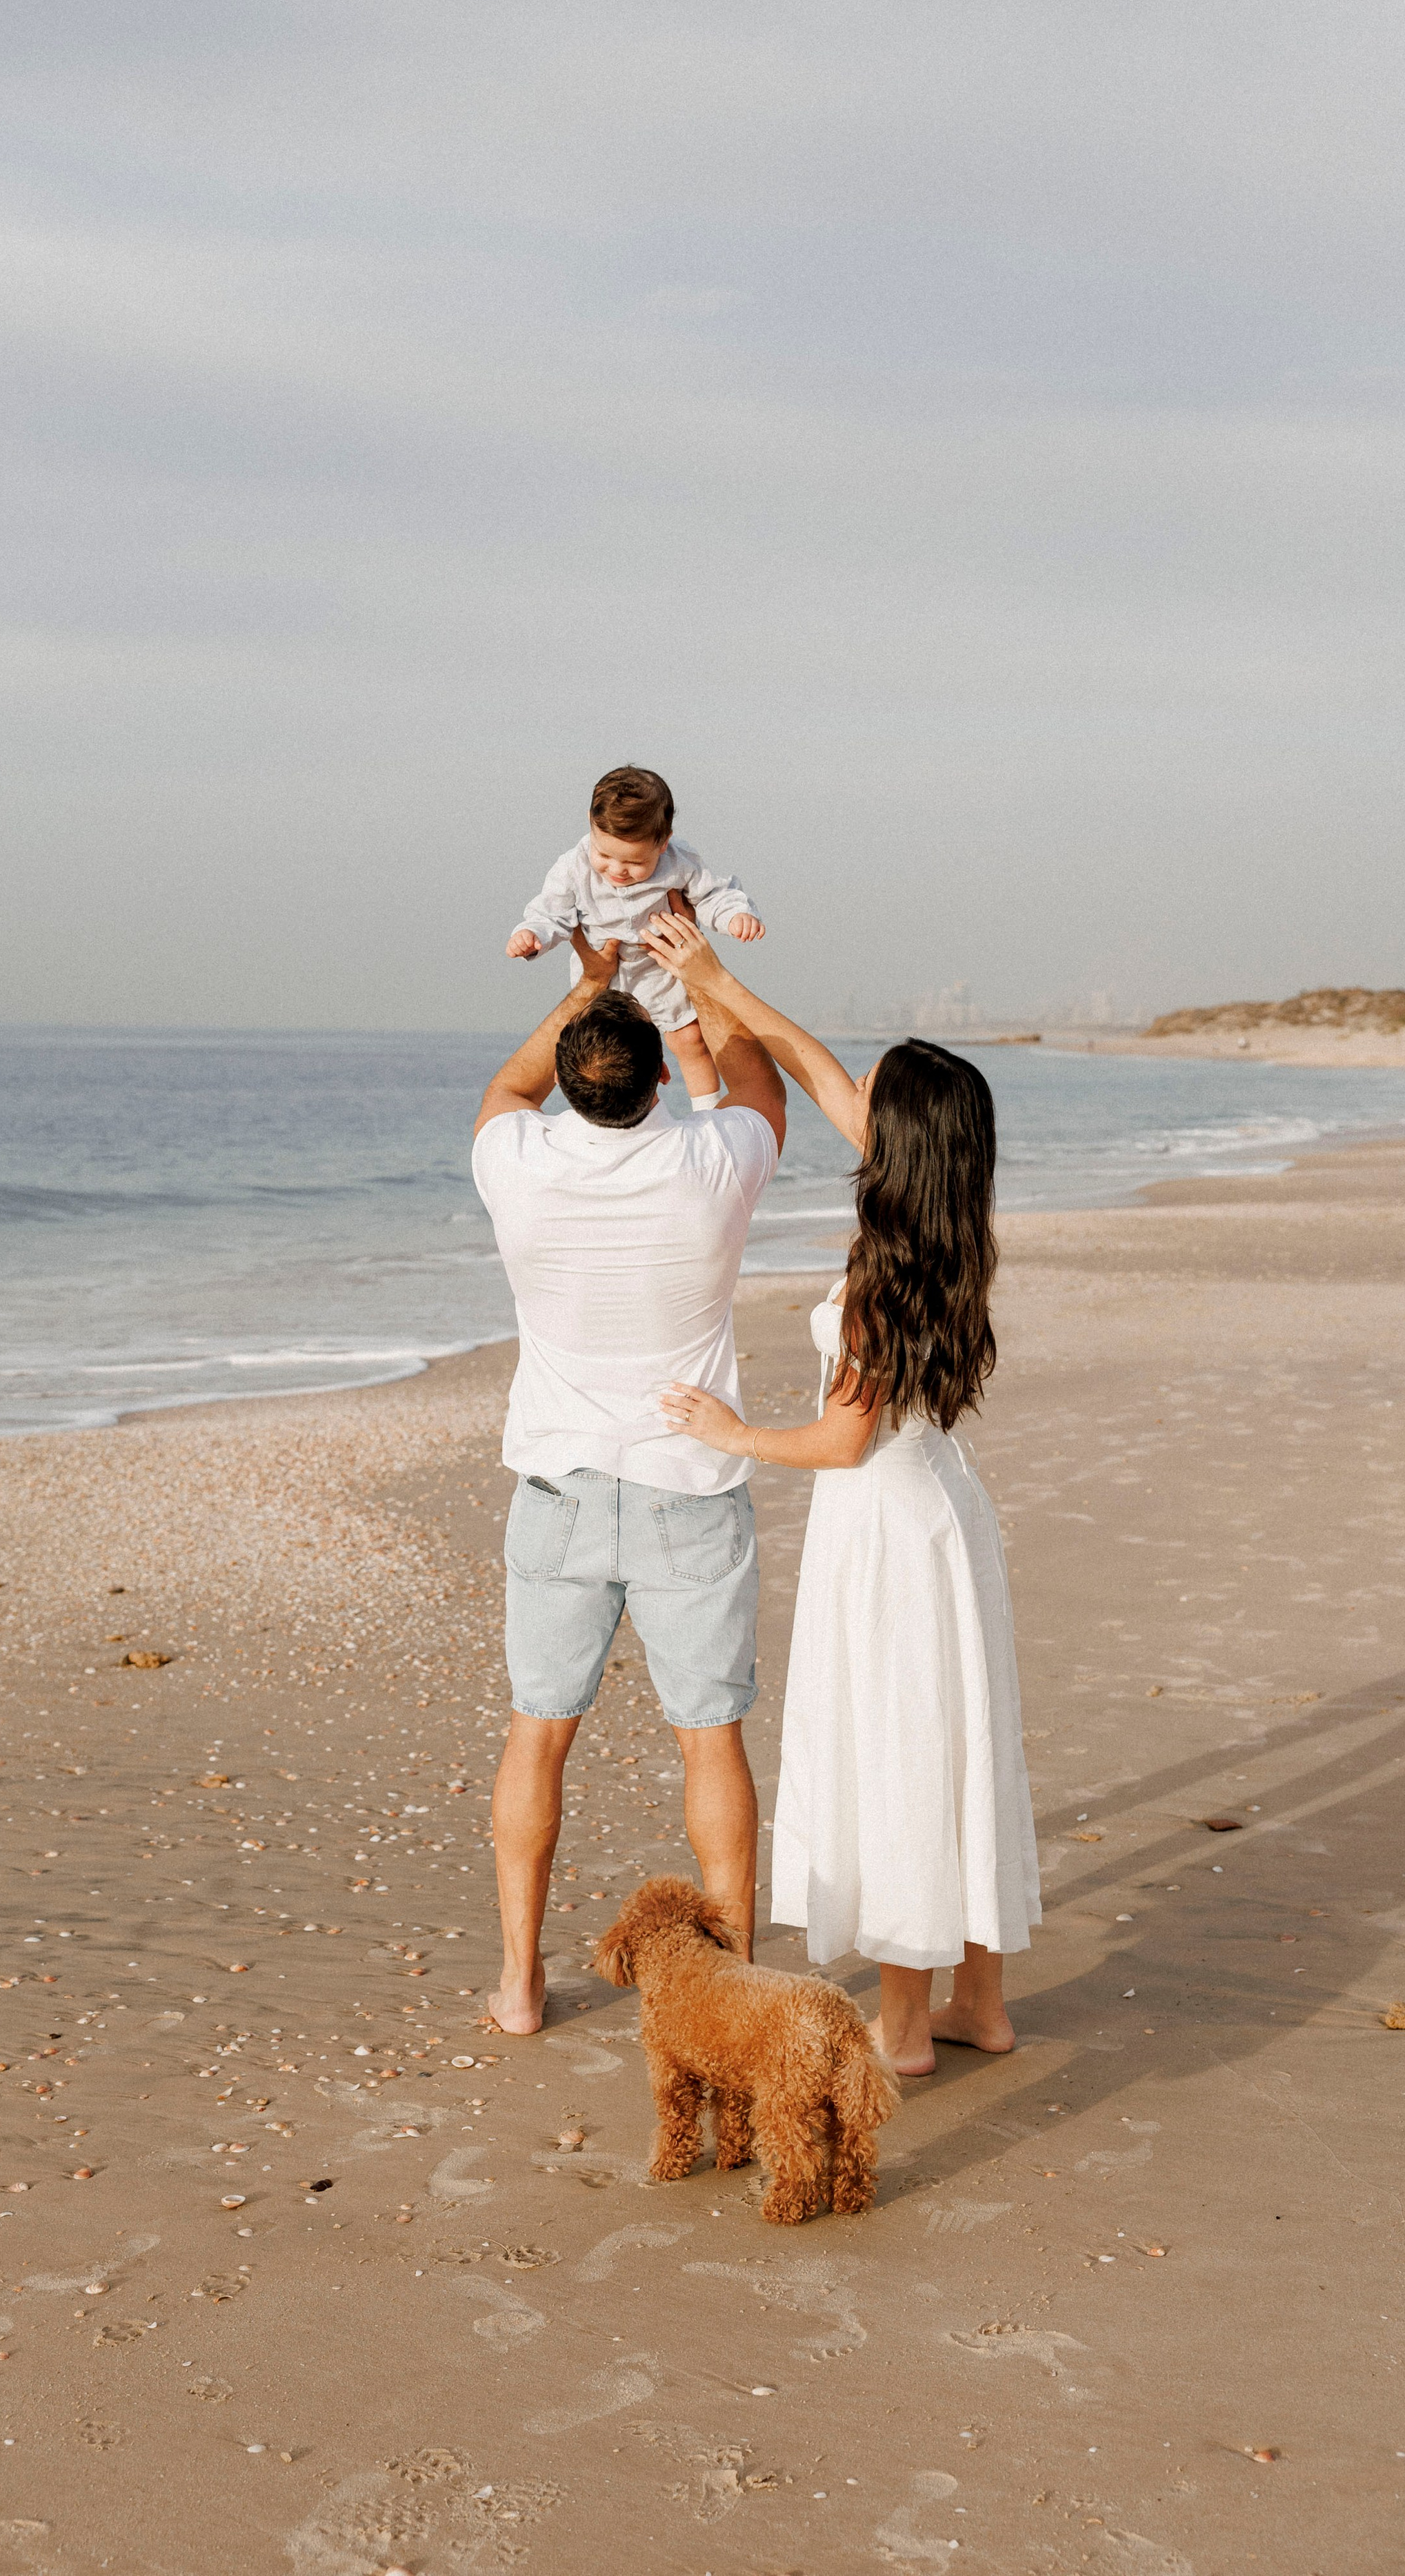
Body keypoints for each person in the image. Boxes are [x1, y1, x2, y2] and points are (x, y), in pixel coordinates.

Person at [641, 907, 1041, 2073]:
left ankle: (906, 2029)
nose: (850, 1086)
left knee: (907, 1754)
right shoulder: (951, 1222)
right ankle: (985, 2005)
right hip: (946, 1516)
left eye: (876, 1087)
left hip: (887, 1530)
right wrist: (715, 977)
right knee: (960, 1744)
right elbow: (814, 1062)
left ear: (897, 1140)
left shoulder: (882, 1277)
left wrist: (732, 1431)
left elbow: (839, 1444)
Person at [471, 923, 788, 2035]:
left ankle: (519, 1980)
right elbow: (758, 1088)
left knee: (538, 1731)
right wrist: (700, 980)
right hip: (687, 1483)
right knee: (711, 1738)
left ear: (568, 1077)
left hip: (558, 1485)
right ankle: (739, 1977)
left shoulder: (514, 1159)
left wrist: (591, 985)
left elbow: (507, 1086)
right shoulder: (712, 1163)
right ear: (660, 1079)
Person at [507, 763, 765, 1109]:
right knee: (593, 1055)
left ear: (663, 842)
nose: (616, 870)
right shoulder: (572, 867)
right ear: (590, 824)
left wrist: (735, 916)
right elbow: (551, 913)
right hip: (603, 977)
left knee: (691, 1041)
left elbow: (712, 894)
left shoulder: (680, 861)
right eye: (604, 855)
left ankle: (707, 1114)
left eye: (633, 862)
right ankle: (590, 1115)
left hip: (661, 970)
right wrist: (532, 935)